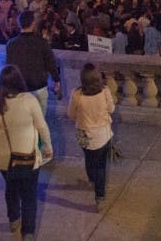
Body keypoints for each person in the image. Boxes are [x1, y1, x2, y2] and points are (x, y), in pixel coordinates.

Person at [0, 64, 53, 241]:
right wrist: (47, 148)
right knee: (29, 195)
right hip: (27, 157)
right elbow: (42, 127)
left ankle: (14, 219)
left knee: (11, 187)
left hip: (4, 160)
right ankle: (28, 233)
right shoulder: (29, 101)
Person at [67, 63, 115, 212]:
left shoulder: (76, 94)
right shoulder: (105, 92)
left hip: (83, 133)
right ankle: (99, 197)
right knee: (101, 165)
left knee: (88, 158)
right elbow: (112, 109)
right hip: (102, 134)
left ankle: (92, 179)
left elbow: (71, 114)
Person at [6, 11, 61, 116]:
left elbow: (9, 67)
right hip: (38, 85)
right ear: (33, 23)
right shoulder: (42, 43)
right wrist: (56, 80)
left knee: (23, 117)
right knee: (39, 117)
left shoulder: (11, 44)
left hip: (20, 87)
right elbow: (50, 63)